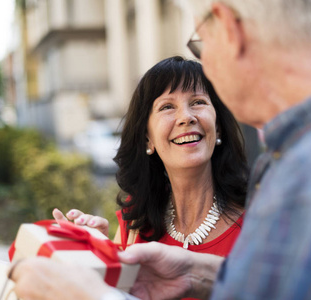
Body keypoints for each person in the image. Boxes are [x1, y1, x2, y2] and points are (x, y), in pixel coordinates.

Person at [10, 0, 311, 299]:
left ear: (229, 31)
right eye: (167, 107)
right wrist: (199, 274)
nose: (188, 114)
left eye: (201, 44)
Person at [54, 56, 248, 257]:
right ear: (148, 139)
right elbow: (116, 289)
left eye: (198, 102)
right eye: (167, 107)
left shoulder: (257, 220)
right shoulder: (136, 223)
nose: (186, 117)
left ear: (218, 127)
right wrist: (101, 256)